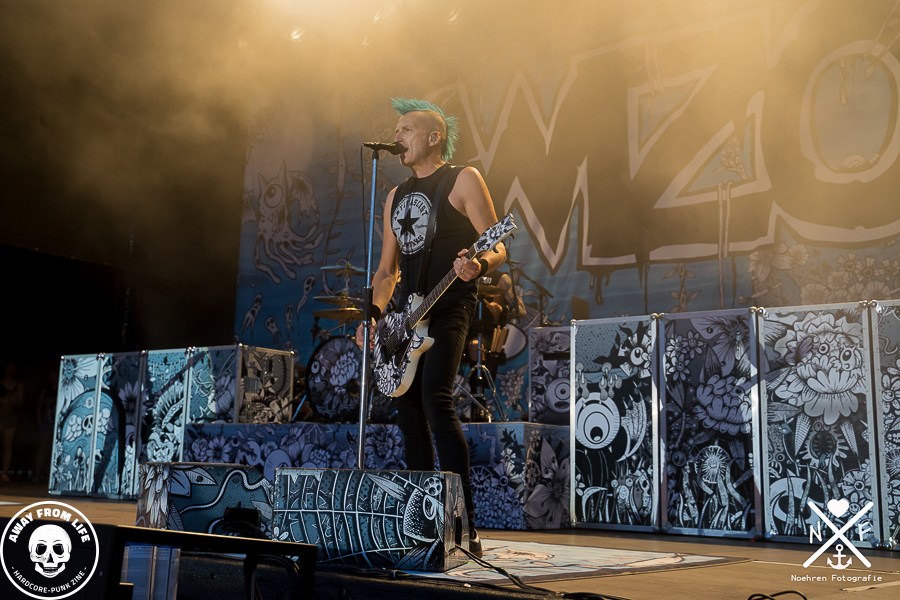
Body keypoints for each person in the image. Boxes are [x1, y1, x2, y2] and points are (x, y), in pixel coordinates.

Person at [356, 98, 506, 558]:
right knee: (408, 412)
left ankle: (464, 524)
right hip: (405, 316)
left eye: (405, 130)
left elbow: (498, 244)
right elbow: (387, 271)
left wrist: (478, 265)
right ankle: (422, 522)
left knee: (435, 401)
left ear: (433, 137)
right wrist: (373, 317)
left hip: (450, 304)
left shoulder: (463, 179)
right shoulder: (394, 197)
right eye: (396, 130)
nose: (396, 137)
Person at [0, 361, 24, 482]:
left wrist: (12, 400)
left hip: (10, 418)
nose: (10, 370)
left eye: (12, 368)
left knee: (7, 445)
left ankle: (4, 472)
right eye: (8, 368)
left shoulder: (18, 385)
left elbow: (20, 402)